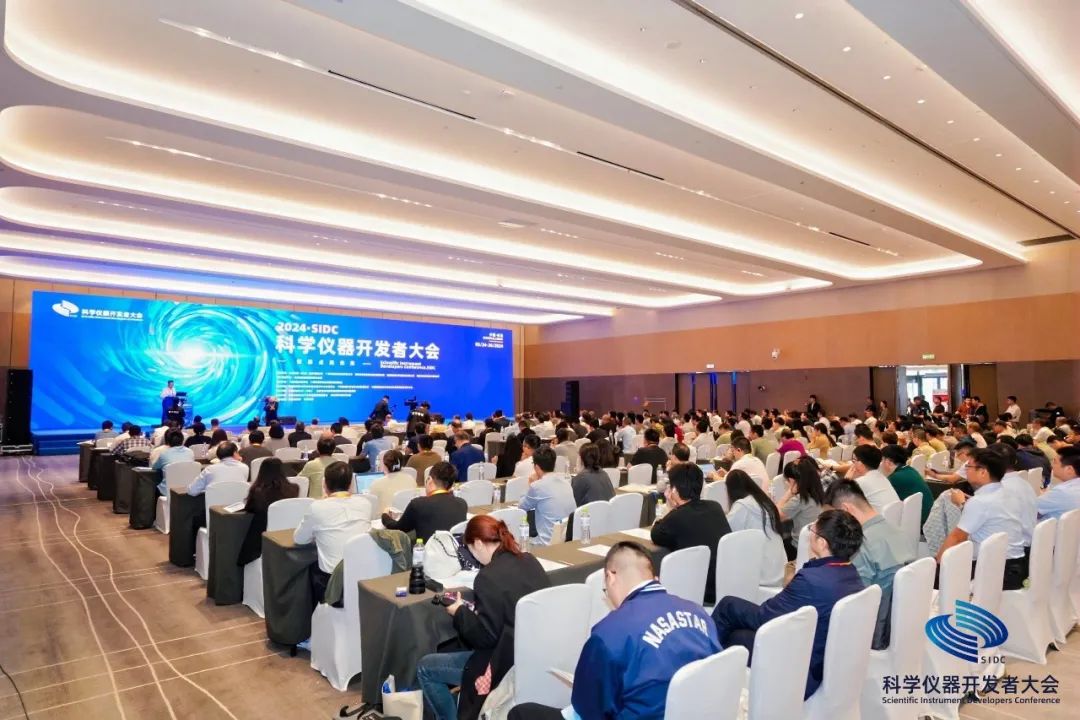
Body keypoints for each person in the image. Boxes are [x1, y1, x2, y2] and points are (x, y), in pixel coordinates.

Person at [508, 542, 720, 720]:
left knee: (521, 713)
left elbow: (589, 709)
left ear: (610, 577)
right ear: (653, 578)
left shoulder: (609, 633)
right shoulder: (699, 613)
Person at [711, 509, 864, 699]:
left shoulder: (812, 580)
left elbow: (765, 617)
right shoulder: (851, 573)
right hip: (825, 662)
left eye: (812, 530)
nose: (809, 534)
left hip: (803, 671)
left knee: (729, 608)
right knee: (738, 633)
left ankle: (705, 670)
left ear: (822, 543)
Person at [416, 516, 551, 720]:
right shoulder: (529, 560)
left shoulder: (487, 577)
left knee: (425, 667)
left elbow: (484, 638)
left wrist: (459, 612)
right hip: (537, 654)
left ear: (478, 543)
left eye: (470, 549)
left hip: (502, 663)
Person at [823, 481, 914, 649]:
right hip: (901, 627)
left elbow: (852, 601)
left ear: (846, 510)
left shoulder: (860, 545)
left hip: (871, 636)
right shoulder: (898, 531)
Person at [936, 448, 1028, 590]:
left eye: (968, 466)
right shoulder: (1008, 494)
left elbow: (957, 537)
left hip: (993, 569)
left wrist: (937, 564)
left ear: (983, 472)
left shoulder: (980, 502)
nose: (966, 470)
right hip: (1015, 564)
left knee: (934, 578)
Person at [650, 463, 731, 604]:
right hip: (723, 584)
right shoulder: (715, 506)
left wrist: (670, 507)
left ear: (674, 490)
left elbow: (655, 533)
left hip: (698, 591)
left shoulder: (677, 517)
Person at [294, 461, 373, 604]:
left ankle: (314, 615)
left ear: (324, 484)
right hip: (364, 577)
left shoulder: (317, 507)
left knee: (309, 568)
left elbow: (299, 539)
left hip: (333, 585)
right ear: (351, 484)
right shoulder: (365, 504)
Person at [725, 469, 786, 587]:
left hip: (760, 576)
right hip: (779, 569)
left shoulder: (742, 505)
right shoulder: (764, 501)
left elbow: (726, 532)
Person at [381, 461, 467, 542]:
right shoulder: (462, 503)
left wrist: (385, 515)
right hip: (455, 551)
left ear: (429, 480)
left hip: (427, 551)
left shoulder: (418, 504)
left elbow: (397, 529)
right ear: (451, 485)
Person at [238, 458, 299, 565]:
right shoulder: (294, 489)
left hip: (262, 539)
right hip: (287, 535)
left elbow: (250, 508)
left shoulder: (258, 491)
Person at [518, 447, 576, 545]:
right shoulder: (566, 482)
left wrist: (530, 484)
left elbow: (521, 507)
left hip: (544, 543)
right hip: (566, 540)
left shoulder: (537, 486)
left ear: (536, 467)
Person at [880, 444, 932, 525]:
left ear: (888, 462)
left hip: (919, 522)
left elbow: (882, 502)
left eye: (881, 460)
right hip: (926, 518)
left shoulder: (895, 478)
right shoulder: (910, 470)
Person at [776, 456, 825, 535]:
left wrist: (789, 492)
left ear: (792, 480)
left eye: (787, 480)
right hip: (813, 537)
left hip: (799, 541)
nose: (786, 483)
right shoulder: (816, 491)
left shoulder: (799, 499)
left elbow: (775, 516)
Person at [850, 445, 901, 512]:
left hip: (880, 518)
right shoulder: (882, 477)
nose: (852, 464)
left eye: (854, 460)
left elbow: (841, 500)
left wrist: (847, 479)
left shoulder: (860, 482)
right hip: (896, 516)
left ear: (860, 463)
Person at [1038, 446, 1080, 519]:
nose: (1051, 465)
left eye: (1055, 462)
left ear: (1069, 469)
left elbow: (1029, 509)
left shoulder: (1062, 491)